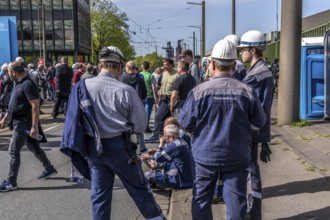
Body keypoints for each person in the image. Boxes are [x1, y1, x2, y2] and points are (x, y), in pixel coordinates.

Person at [60, 46, 165, 220]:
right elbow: (140, 126)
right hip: (119, 148)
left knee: (99, 195)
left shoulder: (81, 87)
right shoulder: (125, 90)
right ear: (119, 66)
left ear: (99, 66)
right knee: (139, 189)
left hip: (94, 148)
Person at [178, 39, 266, 220]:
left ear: (211, 63)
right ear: (234, 65)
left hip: (204, 156)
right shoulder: (246, 91)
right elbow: (259, 122)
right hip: (236, 155)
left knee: (201, 201)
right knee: (236, 203)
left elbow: (186, 123)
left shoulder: (198, 92)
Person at [0, 61, 57, 192]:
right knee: (34, 147)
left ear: (14, 72)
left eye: (9, 72)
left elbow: (35, 105)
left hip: (24, 124)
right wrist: (4, 118)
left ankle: (11, 182)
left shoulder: (28, 84)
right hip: (20, 122)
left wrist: (35, 126)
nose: (8, 74)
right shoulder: (18, 84)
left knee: (13, 151)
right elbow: (14, 105)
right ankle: (49, 168)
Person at [238, 30, 275, 220]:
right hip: (256, 128)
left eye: (243, 49)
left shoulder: (255, 75)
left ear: (252, 50)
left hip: (251, 129)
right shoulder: (261, 71)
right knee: (252, 168)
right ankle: (254, 213)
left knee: (250, 170)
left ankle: (253, 214)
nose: (240, 53)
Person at [142, 124, 194, 189]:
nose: (163, 137)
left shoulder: (173, 146)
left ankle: (152, 184)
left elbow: (158, 158)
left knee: (147, 175)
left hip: (180, 181)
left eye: (165, 135)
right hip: (187, 178)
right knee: (154, 168)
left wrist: (161, 145)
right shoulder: (181, 141)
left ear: (171, 137)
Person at [145, 58, 178, 143]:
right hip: (164, 98)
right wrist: (159, 97)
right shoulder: (164, 73)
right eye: (164, 64)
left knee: (174, 119)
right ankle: (155, 135)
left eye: (166, 64)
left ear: (171, 65)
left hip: (173, 99)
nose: (164, 66)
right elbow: (162, 85)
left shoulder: (177, 74)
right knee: (158, 116)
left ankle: (176, 137)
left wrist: (173, 102)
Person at [123, 61, 148, 154]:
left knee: (126, 125)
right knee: (138, 125)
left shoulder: (124, 78)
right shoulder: (140, 78)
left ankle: (128, 146)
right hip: (138, 103)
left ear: (128, 68)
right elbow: (144, 92)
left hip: (127, 104)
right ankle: (142, 147)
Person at [140, 61, 155, 133]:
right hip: (149, 96)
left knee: (141, 112)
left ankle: (141, 126)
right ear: (149, 67)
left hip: (141, 96)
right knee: (147, 113)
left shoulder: (139, 74)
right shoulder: (151, 75)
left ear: (142, 67)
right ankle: (146, 127)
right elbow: (153, 87)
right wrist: (156, 97)